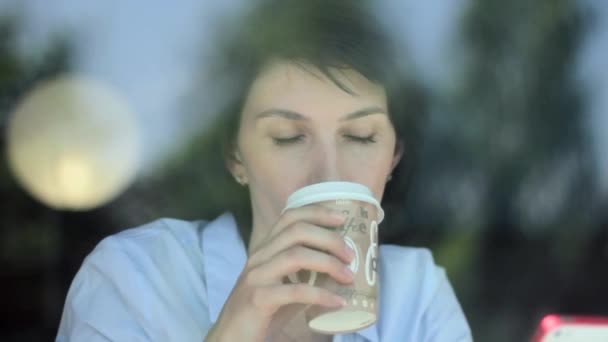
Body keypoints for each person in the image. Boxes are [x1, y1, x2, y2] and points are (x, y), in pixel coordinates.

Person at [56, 1, 472, 341]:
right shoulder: (134, 280)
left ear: (393, 159)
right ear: (236, 156)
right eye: (289, 137)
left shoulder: (415, 298)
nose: (329, 173)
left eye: (362, 137)